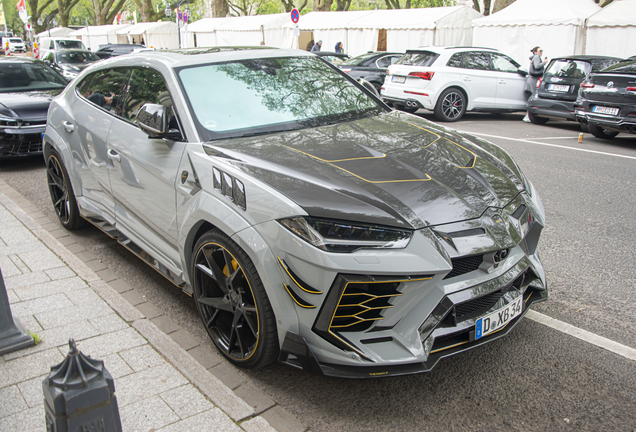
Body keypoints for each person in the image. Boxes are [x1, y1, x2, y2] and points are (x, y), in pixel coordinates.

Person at [523, 46, 548, 122]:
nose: (541, 52)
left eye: (542, 51)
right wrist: (544, 62)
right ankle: (528, 115)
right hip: (534, 80)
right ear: (535, 52)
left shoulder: (534, 57)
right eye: (540, 51)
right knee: (533, 96)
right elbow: (537, 66)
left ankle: (528, 115)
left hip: (531, 79)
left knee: (530, 96)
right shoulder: (536, 57)